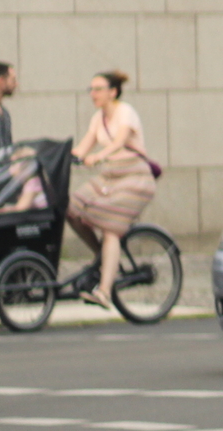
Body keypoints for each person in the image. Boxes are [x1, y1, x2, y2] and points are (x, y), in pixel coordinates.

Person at [67, 70, 157, 306]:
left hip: (135, 177)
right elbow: (83, 147)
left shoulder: (125, 112)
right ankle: (104, 257)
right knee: (71, 208)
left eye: (97, 89)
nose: (93, 94)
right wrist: (63, 156)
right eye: (91, 89)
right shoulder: (98, 118)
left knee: (110, 227)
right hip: (110, 176)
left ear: (112, 92)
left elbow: (119, 142)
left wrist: (98, 157)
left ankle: (105, 291)